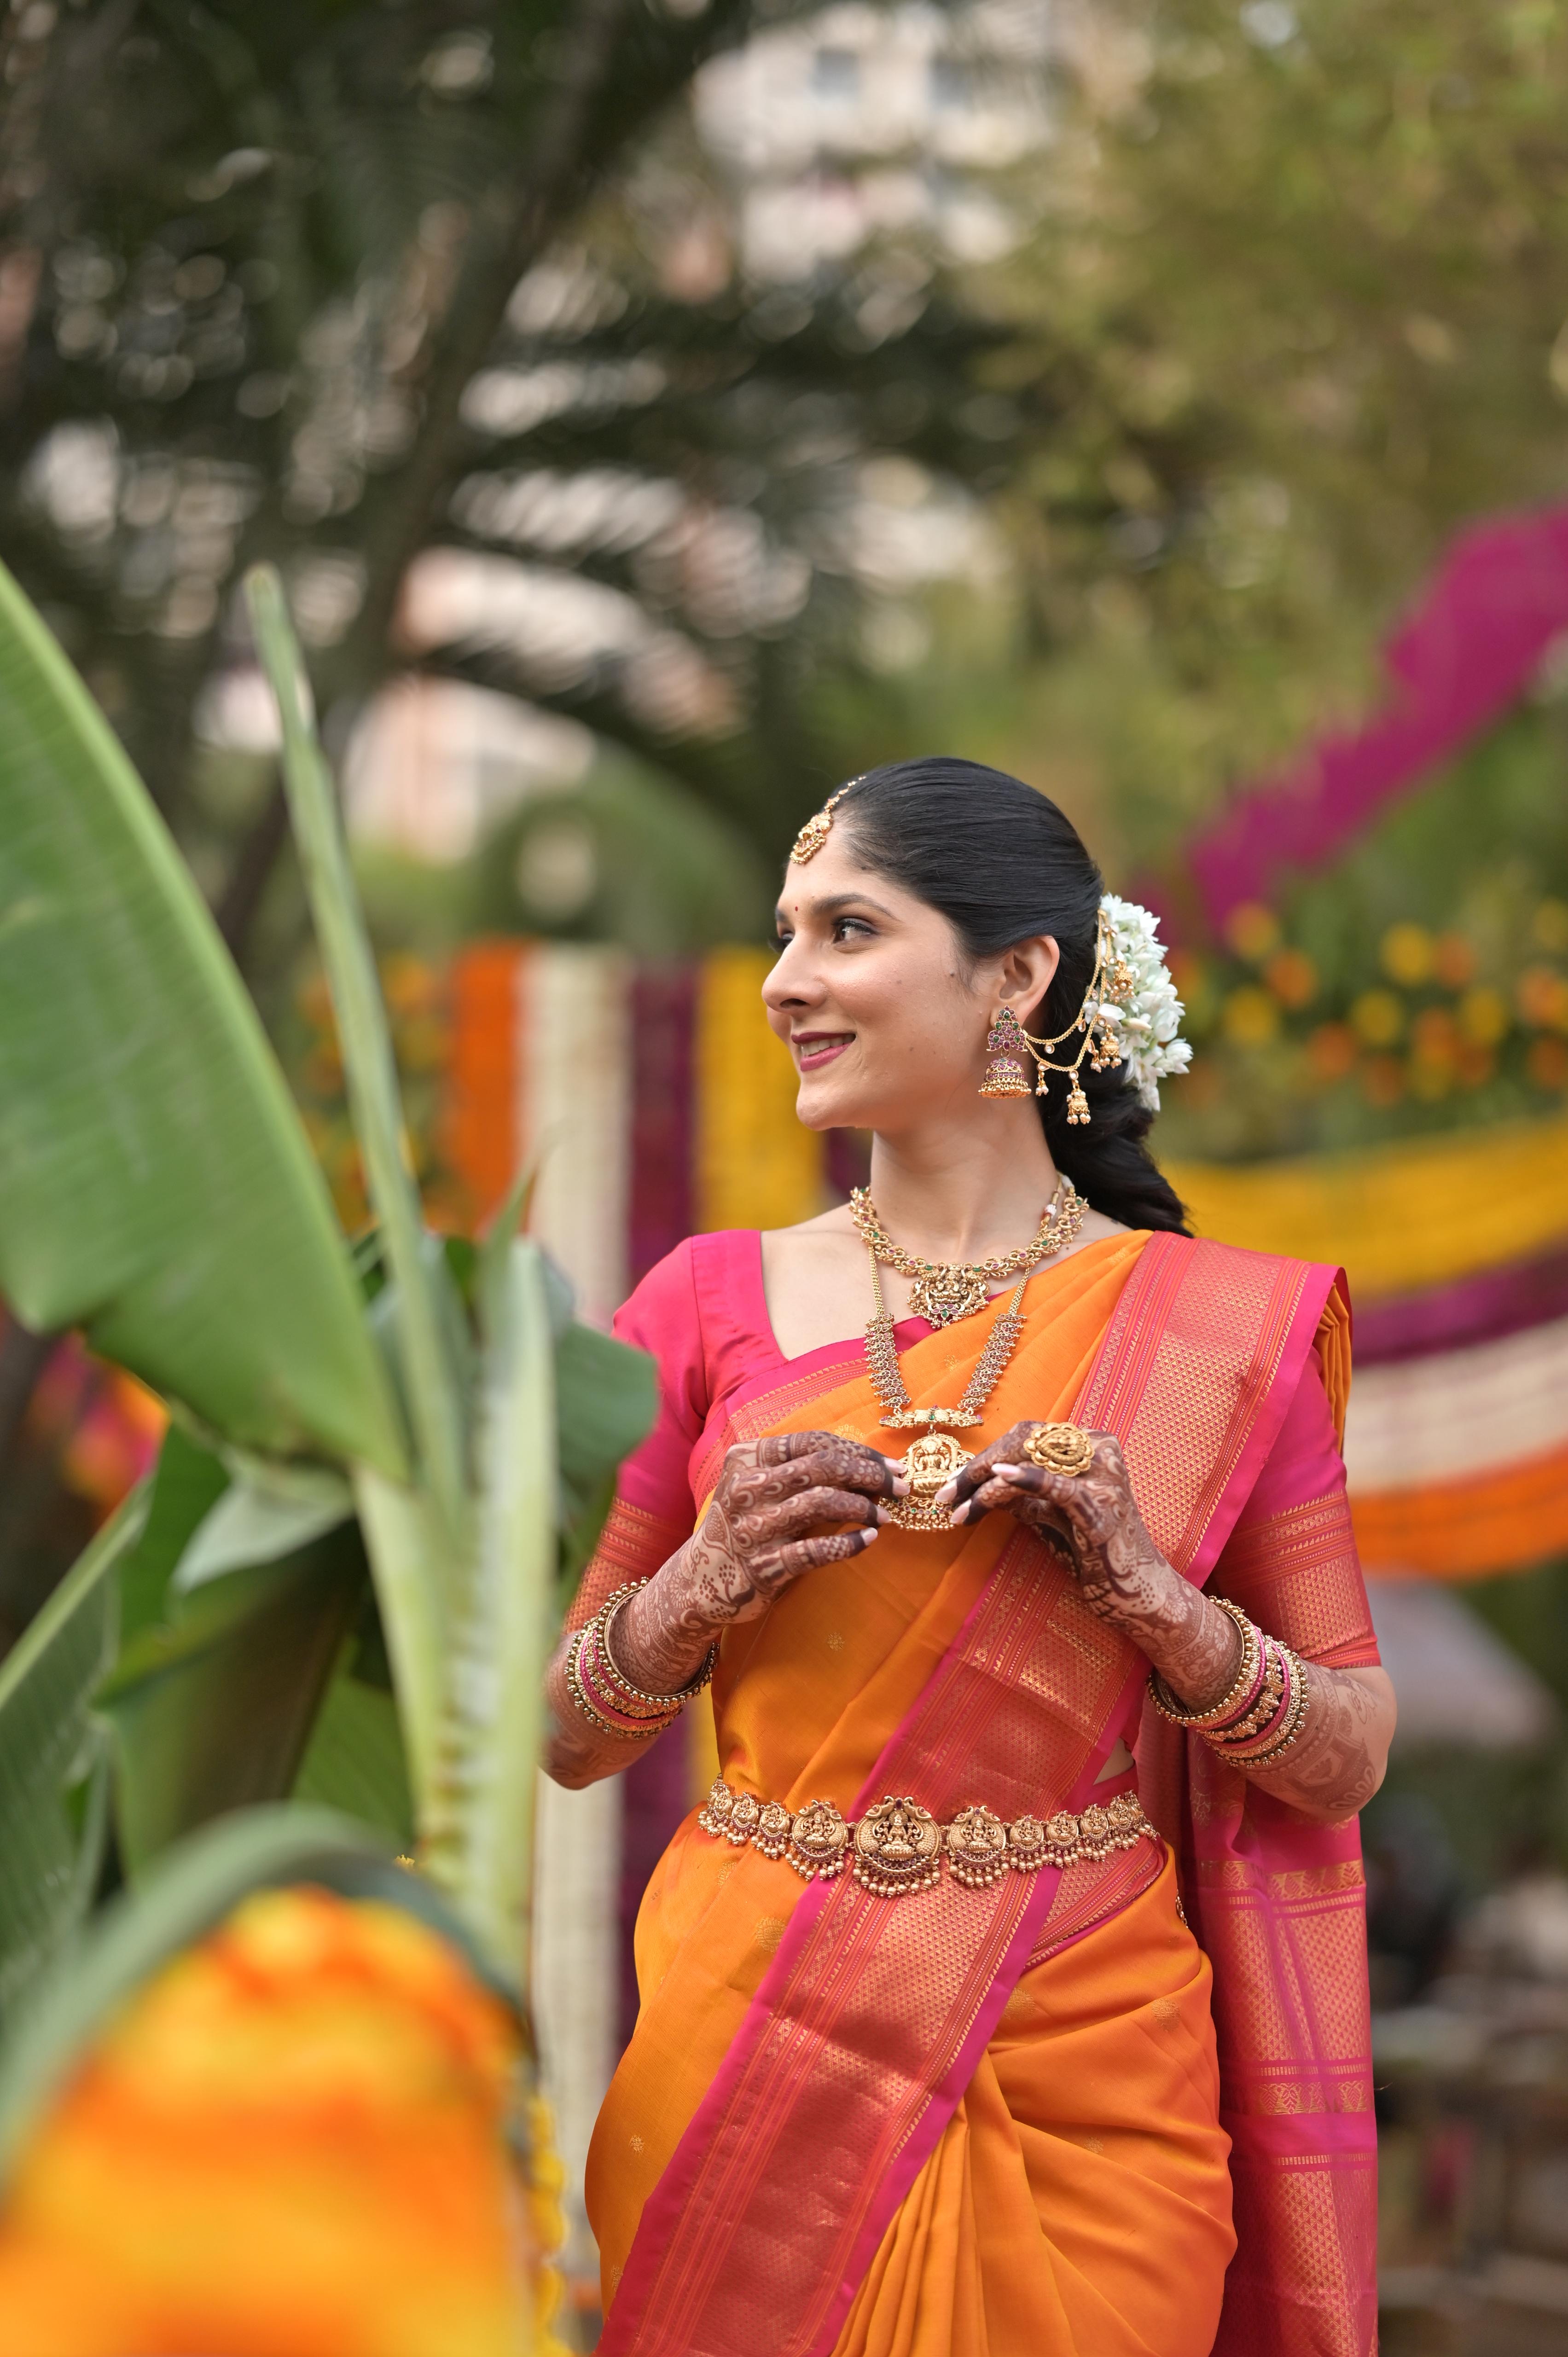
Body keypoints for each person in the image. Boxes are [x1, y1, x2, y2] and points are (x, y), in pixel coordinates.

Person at [544, 759, 1394, 2357]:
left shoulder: (1220, 1340)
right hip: (744, 2037)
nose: (788, 983)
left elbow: (1347, 1751)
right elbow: (566, 1733)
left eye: (847, 931)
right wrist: (696, 1590)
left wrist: (1161, 1605)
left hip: (1087, 2078)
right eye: (785, 936)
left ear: (1018, 976)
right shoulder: (701, 1304)